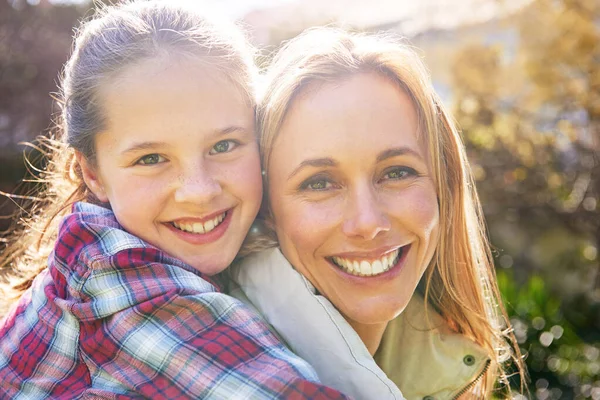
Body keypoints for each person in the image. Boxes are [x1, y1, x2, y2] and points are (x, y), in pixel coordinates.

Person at [0, 3, 347, 399]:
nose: (199, 190)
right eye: (151, 159)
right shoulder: (124, 283)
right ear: (92, 173)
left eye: (224, 145)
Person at [230, 28, 526, 399]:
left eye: (397, 173)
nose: (368, 222)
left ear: (443, 187)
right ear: (267, 208)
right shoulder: (225, 376)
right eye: (320, 183)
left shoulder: (439, 360)